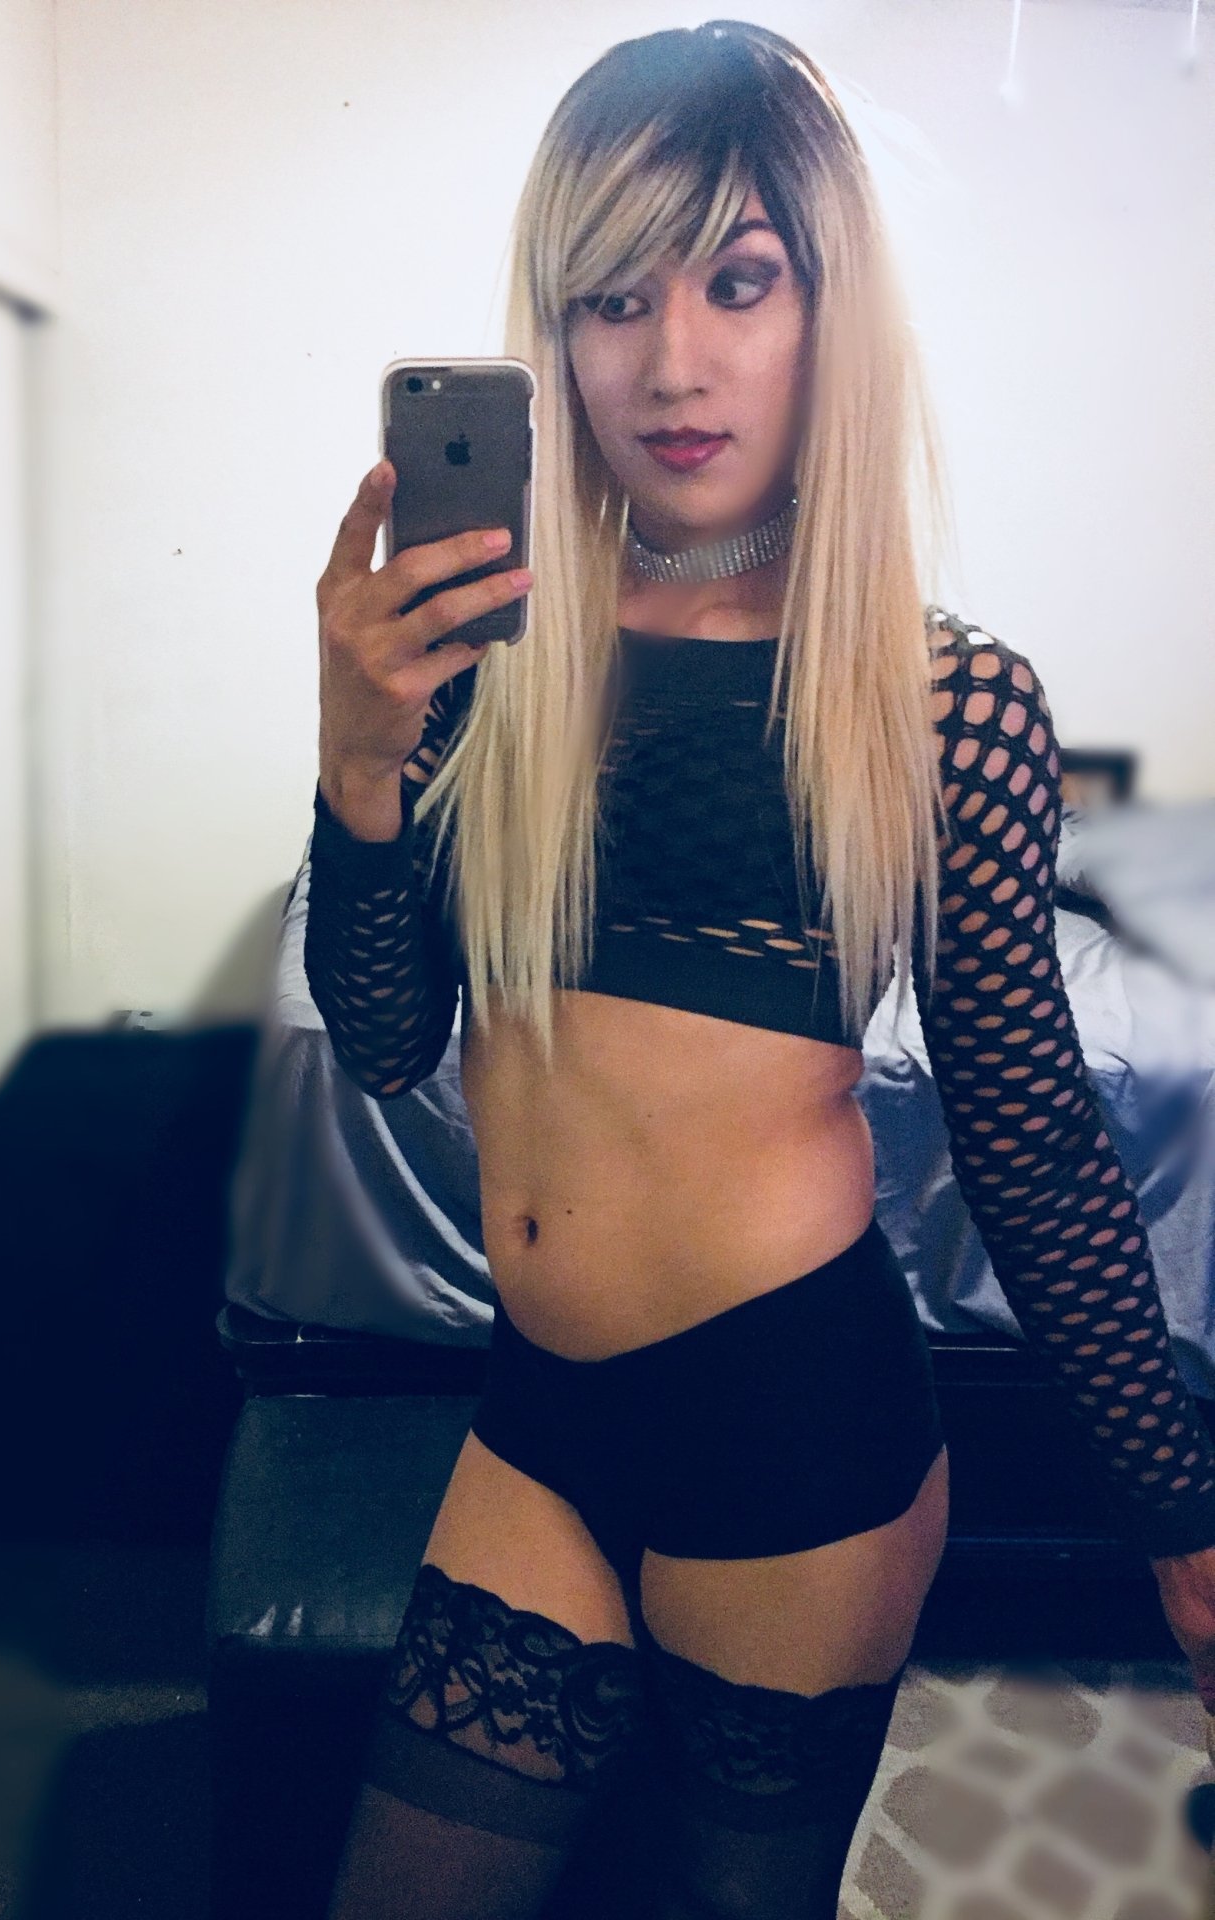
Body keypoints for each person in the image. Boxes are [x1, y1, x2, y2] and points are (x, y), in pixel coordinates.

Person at [303, 22, 1215, 1918]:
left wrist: (1179, 1516)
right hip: (536, 1417)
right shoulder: (489, 661)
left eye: (736, 281)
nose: (671, 362)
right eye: (612, 296)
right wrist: (354, 768)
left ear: (826, 309)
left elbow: (1031, 1138)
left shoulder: (940, 697)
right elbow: (385, 1044)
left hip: (795, 1437)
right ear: (555, 333)